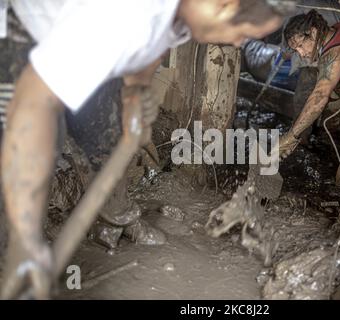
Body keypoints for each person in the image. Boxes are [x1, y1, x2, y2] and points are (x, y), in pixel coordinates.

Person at [1, 0, 287, 299]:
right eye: (243, 33)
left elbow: (155, 47)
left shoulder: (180, 16)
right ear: (222, 4)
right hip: (23, 37)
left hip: (93, 48)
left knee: (108, 140)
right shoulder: (124, 15)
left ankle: (116, 219)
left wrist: (135, 94)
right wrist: (26, 240)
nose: (240, 43)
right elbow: (31, 106)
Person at [278, 10, 340, 187]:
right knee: (322, 95)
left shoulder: (332, 54)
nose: (301, 54)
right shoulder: (337, 29)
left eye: (301, 46)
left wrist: (291, 136)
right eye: (296, 50)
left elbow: (319, 96)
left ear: (314, 32)